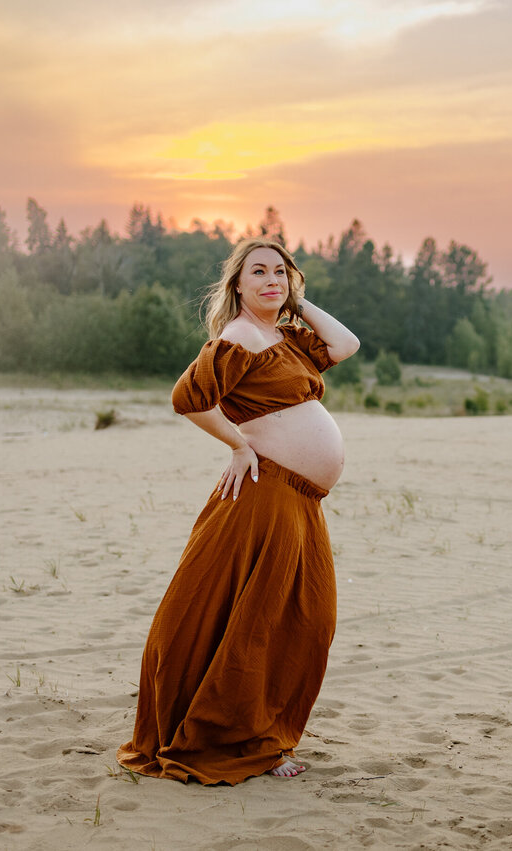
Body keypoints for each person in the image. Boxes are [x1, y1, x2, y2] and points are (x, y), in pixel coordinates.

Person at [116, 237, 360, 785]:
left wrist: (295, 303)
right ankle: (239, 740)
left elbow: (345, 344)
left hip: (299, 500)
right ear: (238, 285)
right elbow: (188, 398)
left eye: (280, 272)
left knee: (300, 622)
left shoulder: (284, 338)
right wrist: (238, 444)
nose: (270, 280)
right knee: (255, 624)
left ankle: (260, 734)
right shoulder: (242, 335)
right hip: (265, 495)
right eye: (258, 273)